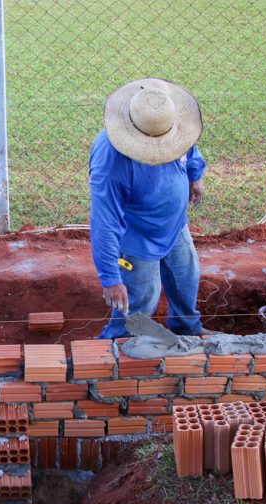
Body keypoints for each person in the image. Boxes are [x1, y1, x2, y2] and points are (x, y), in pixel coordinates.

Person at [89, 77, 211, 339]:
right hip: (136, 239)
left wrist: (194, 172)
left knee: (186, 280)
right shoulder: (110, 164)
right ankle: (119, 345)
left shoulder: (168, 120)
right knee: (141, 300)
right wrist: (110, 278)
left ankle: (187, 331)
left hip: (175, 225)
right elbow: (104, 222)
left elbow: (188, 146)